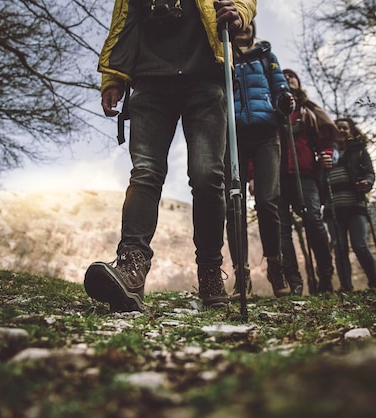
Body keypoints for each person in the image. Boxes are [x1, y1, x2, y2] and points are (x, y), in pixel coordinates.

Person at [83, 0, 257, 312]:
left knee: (207, 176)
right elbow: (123, 17)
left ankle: (209, 273)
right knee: (145, 172)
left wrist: (241, 12)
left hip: (205, 74)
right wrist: (114, 78)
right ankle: (130, 267)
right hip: (149, 77)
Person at [224, 21, 293, 301]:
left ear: (251, 25)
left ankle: (275, 266)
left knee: (267, 200)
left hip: (266, 133)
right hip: (234, 135)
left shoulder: (265, 54)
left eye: (245, 23)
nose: (241, 29)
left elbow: (280, 87)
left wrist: (285, 102)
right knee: (234, 203)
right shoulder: (223, 55)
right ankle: (241, 274)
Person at [278, 69, 339, 295]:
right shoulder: (270, 109)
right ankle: (293, 280)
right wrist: (254, 176)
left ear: (298, 82)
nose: (287, 79)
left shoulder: (309, 111)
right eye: (283, 76)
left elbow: (326, 140)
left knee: (313, 220)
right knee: (280, 230)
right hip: (275, 176)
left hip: (305, 175)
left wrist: (327, 155)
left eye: (291, 76)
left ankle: (325, 275)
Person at [324, 117, 376, 291]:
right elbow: (319, 177)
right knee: (339, 248)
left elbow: (370, 173)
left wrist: (366, 183)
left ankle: (374, 282)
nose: (341, 131)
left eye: (345, 128)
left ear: (351, 132)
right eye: (338, 128)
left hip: (356, 206)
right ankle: (345, 286)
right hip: (333, 209)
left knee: (359, 245)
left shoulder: (359, 151)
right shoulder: (325, 153)